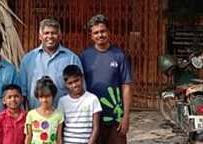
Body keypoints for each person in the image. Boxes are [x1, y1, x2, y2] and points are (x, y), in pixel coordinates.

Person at [80, 14, 133, 144]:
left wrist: (126, 116)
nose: (100, 35)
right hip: (92, 117)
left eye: (103, 31)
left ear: (108, 32)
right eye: (96, 33)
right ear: (91, 36)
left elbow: (126, 87)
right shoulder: (84, 56)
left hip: (115, 117)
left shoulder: (119, 55)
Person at [20, 18, 83, 108]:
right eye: (46, 33)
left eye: (53, 33)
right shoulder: (28, 59)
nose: (50, 36)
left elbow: (80, 90)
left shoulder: (72, 59)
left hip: (64, 117)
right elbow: (23, 92)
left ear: (60, 36)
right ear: (40, 36)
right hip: (35, 117)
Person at [58, 65, 101, 144]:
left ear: (82, 78)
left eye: (76, 81)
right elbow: (60, 126)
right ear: (66, 84)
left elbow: (96, 127)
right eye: (70, 83)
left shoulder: (93, 99)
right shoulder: (62, 101)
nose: (74, 85)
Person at [24, 76, 64, 144]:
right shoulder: (31, 115)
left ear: (53, 95)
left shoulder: (59, 115)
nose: (44, 100)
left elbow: (59, 138)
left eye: (48, 96)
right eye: (41, 97)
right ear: (37, 97)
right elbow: (28, 137)